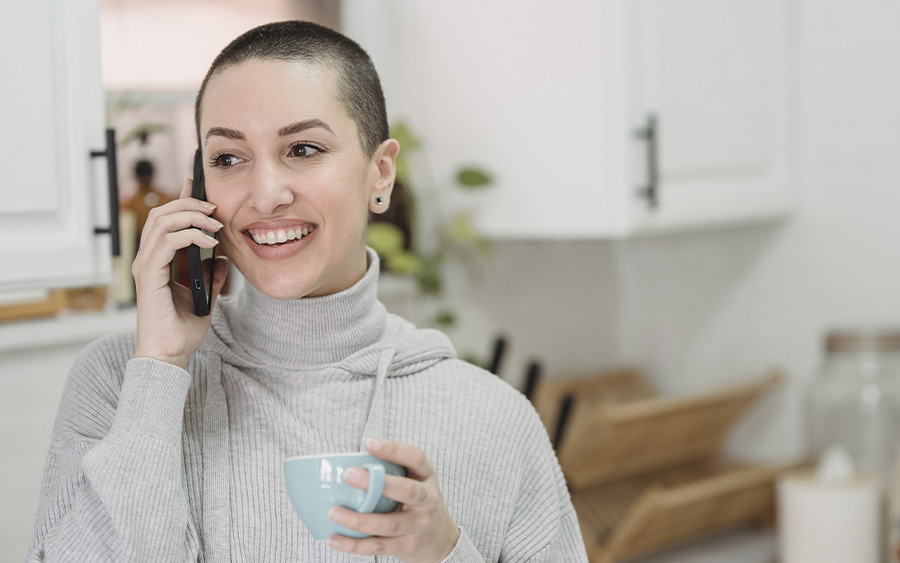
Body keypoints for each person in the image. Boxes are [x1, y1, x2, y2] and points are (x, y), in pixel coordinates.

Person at [27, 20, 588, 562]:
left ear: (381, 175)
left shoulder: (492, 417)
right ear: (199, 186)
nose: (266, 194)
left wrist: (441, 552)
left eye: (304, 149)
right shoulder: (118, 384)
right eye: (228, 158)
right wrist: (160, 365)